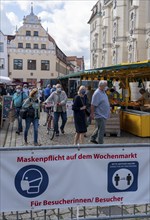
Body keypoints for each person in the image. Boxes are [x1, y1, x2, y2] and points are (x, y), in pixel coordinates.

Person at [90, 80, 110, 144]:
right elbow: (93, 105)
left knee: (99, 127)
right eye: (105, 85)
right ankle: (100, 144)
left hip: (103, 114)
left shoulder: (103, 92)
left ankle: (92, 138)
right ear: (101, 86)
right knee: (101, 130)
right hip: (100, 114)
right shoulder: (97, 93)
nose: (106, 87)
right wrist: (92, 114)